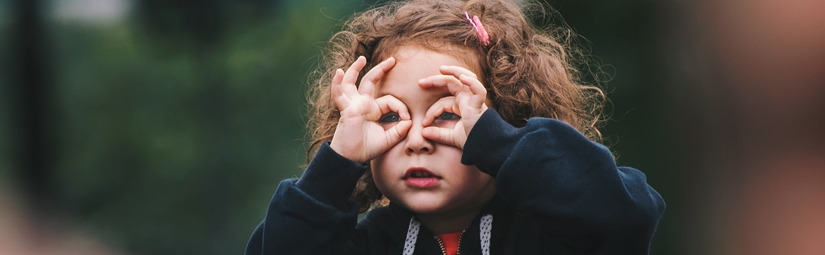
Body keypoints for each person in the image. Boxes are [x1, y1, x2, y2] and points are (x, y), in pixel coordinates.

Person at [245, 0, 665, 254]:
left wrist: (498, 144)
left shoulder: (552, 238)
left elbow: (624, 217)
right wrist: (336, 163)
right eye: (389, 116)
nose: (416, 140)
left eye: (446, 114)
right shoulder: (365, 246)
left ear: (508, 121)